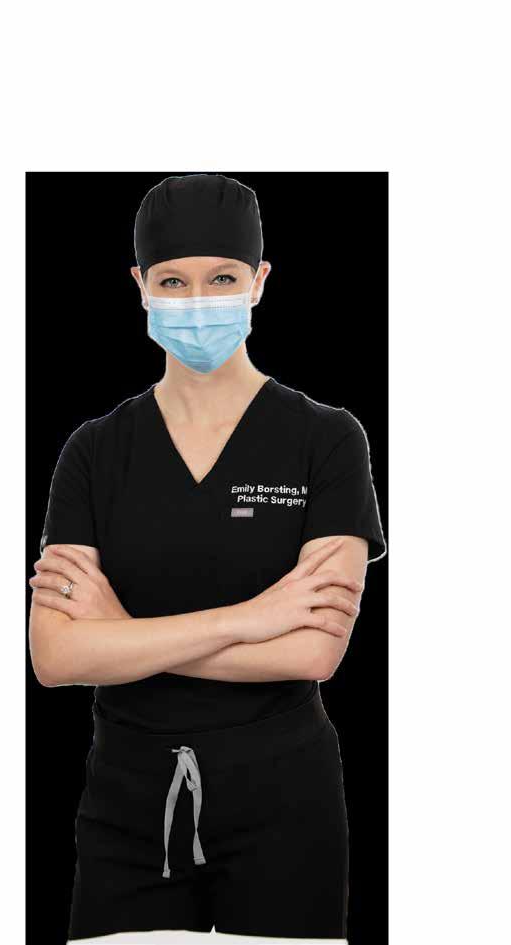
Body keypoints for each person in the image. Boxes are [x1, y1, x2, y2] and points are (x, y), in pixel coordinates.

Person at [29, 172, 387, 942]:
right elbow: (55, 655)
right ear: (140, 285)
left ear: (260, 280)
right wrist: (252, 617)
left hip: (284, 803)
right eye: (173, 281)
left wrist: (122, 636)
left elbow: (315, 650)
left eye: (222, 278)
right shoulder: (94, 452)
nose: (197, 301)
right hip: (126, 805)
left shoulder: (327, 439)